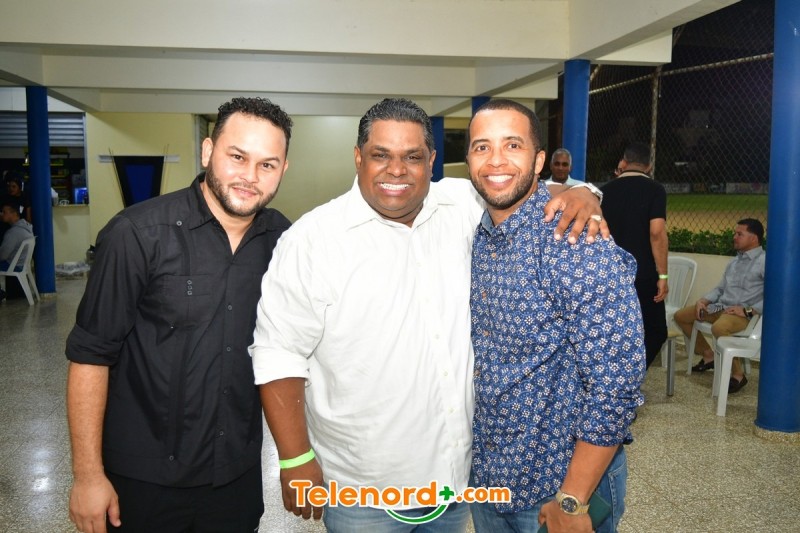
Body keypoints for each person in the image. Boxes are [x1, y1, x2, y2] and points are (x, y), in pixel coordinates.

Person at [249, 98, 607, 532]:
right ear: (358, 157)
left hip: (453, 483)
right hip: (363, 490)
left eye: (412, 157)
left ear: (432, 161)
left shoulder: (460, 205)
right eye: (381, 155)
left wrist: (584, 193)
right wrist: (295, 457)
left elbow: (521, 190)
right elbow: (279, 353)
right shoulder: (312, 240)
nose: (397, 170)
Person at [65, 97, 293, 533]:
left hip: (235, 476)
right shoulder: (136, 235)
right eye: (237, 157)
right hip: (143, 481)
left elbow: (290, 355)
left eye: (267, 164)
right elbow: (91, 356)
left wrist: (295, 455)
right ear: (208, 151)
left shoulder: (285, 242)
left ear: (283, 169)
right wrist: (88, 476)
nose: (250, 176)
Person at [466, 99, 645, 533]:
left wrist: (573, 498)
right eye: (482, 147)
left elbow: (617, 381)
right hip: (490, 479)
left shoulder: (573, 238)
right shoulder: (479, 236)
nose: (496, 160)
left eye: (512, 145)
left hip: (558, 487)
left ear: (539, 160)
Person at [674, 218, 765, 393]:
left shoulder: (765, 262)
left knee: (719, 328)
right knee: (681, 316)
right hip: (721, 307)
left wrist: (748, 310)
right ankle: (709, 356)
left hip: (743, 314)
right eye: (735, 233)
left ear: (754, 238)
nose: (734, 237)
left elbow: (773, 296)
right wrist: (704, 300)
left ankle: (738, 375)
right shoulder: (734, 262)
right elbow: (720, 288)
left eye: (739, 234)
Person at [601, 141, 669, 369]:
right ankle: (631, 374)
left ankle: (616, 374)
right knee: (656, 331)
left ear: (624, 161)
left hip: (610, 274)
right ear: (649, 165)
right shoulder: (655, 190)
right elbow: (657, 233)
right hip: (643, 275)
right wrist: (663, 276)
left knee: (614, 331)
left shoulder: (604, 191)